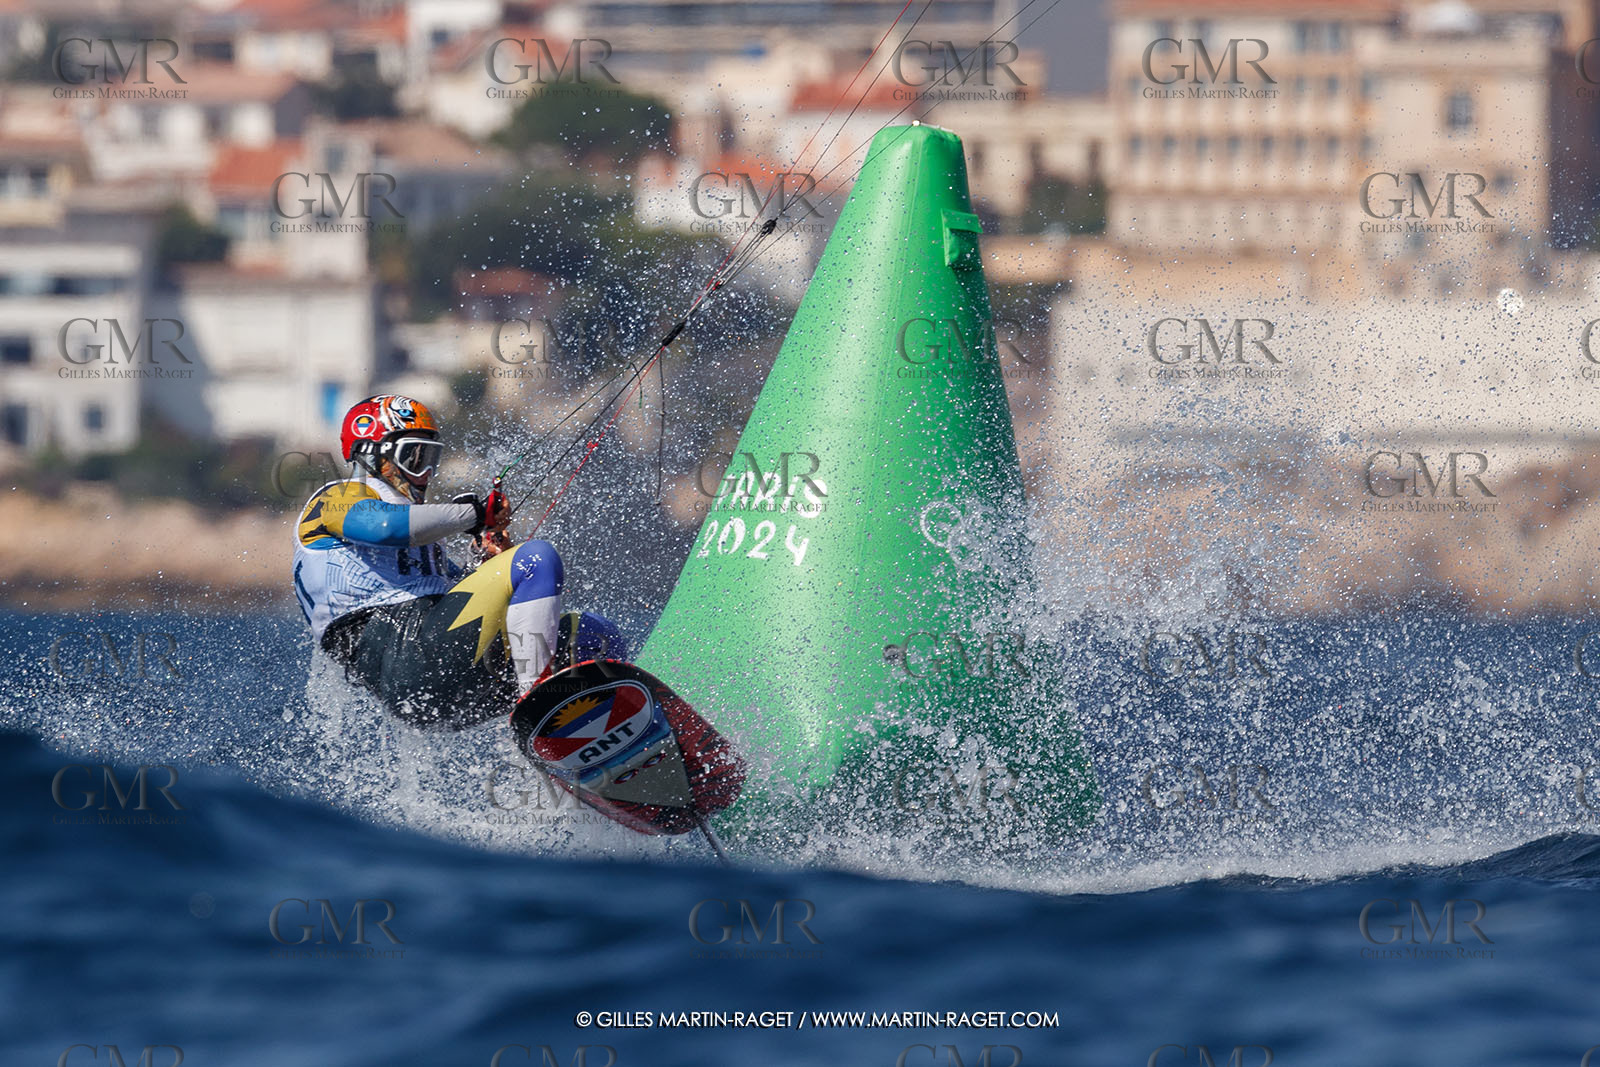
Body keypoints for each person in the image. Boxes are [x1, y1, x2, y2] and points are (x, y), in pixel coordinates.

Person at [291, 393, 629, 730]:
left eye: (430, 458)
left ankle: (591, 739)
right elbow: (381, 526)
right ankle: (540, 711)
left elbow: (460, 598)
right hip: (405, 662)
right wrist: (476, 514)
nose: (424, 473)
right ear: (371, 454)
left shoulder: (423, 541)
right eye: (413, 456)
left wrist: (483, 559)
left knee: (595, 638)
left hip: (444, 677)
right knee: (536, 558)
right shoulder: (337, 496)